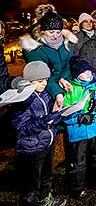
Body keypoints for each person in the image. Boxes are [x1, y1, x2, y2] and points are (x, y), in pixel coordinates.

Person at [11, 61, 67, 206]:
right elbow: (22, 128)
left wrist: (58, 114)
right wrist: (43, 121)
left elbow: (49, 115)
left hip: (47, 143)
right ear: (29, 81)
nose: (44, 84)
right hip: (32, 149)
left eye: (46, 80)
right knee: (31, 184)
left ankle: (45, 199)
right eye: (39, 81)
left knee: (46, 176)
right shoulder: (23, 100)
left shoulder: (45, 94)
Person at [62, 56, 96, 199]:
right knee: (78, 161)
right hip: (78, 132)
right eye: (84, 71)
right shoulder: (69, 89)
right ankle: (77, 187)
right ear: (76, 73)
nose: (88, 73)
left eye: (89, 70)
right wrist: (78, 117)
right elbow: (64, 112)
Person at [19, 5, 77, 111]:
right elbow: (39, 76)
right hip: (45, 90)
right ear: (43, 30)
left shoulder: (67, 43)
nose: (55, 35)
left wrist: (63, 78)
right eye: (51, 32)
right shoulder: (34, 49)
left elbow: (68, 64)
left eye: (58, 32)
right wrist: (57, 92)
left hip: (62, 86)